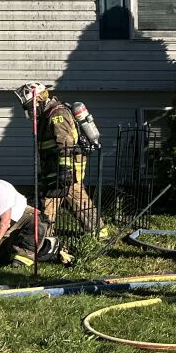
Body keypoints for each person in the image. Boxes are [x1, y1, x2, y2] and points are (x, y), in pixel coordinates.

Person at [15, 83, 103, 256]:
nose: (30, 113)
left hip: (63, 171)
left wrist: (64, 171)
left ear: (39, 100)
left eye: (30, 107)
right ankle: (99, 231)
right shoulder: (47, 115)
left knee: (49, 203)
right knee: (78, 201)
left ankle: (43, 240)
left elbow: (65, 144)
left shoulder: (57, 115)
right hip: (56, 170)